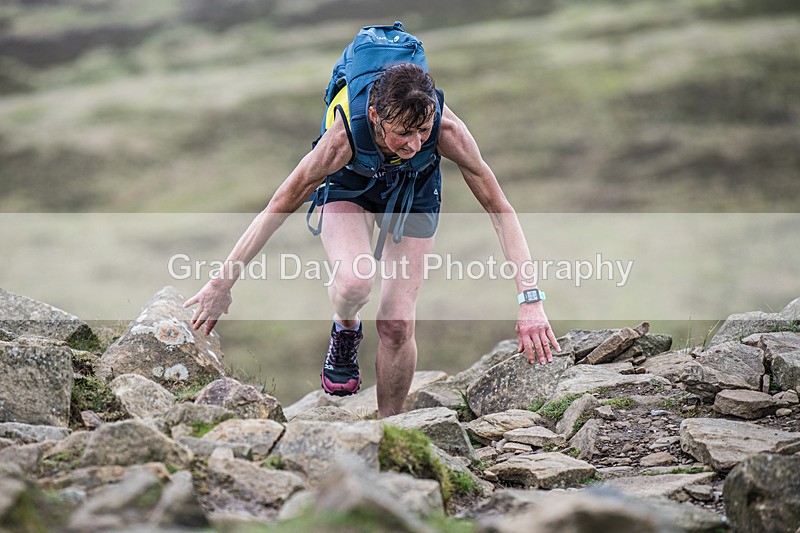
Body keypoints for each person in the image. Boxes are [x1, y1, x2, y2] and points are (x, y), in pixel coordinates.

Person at [184, 25, 560, 419]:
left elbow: (501, 210)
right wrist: (221, 283)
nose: (414, 144)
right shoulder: (343, 139)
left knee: (397, 322)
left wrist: (529, 299)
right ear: (376, 116)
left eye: (422, 131)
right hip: (351, 187)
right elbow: (277, 207)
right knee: (354, 281)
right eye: (402, 134)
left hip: (413, 192)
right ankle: (345, 327)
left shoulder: (446, 130)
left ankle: (389, 427)